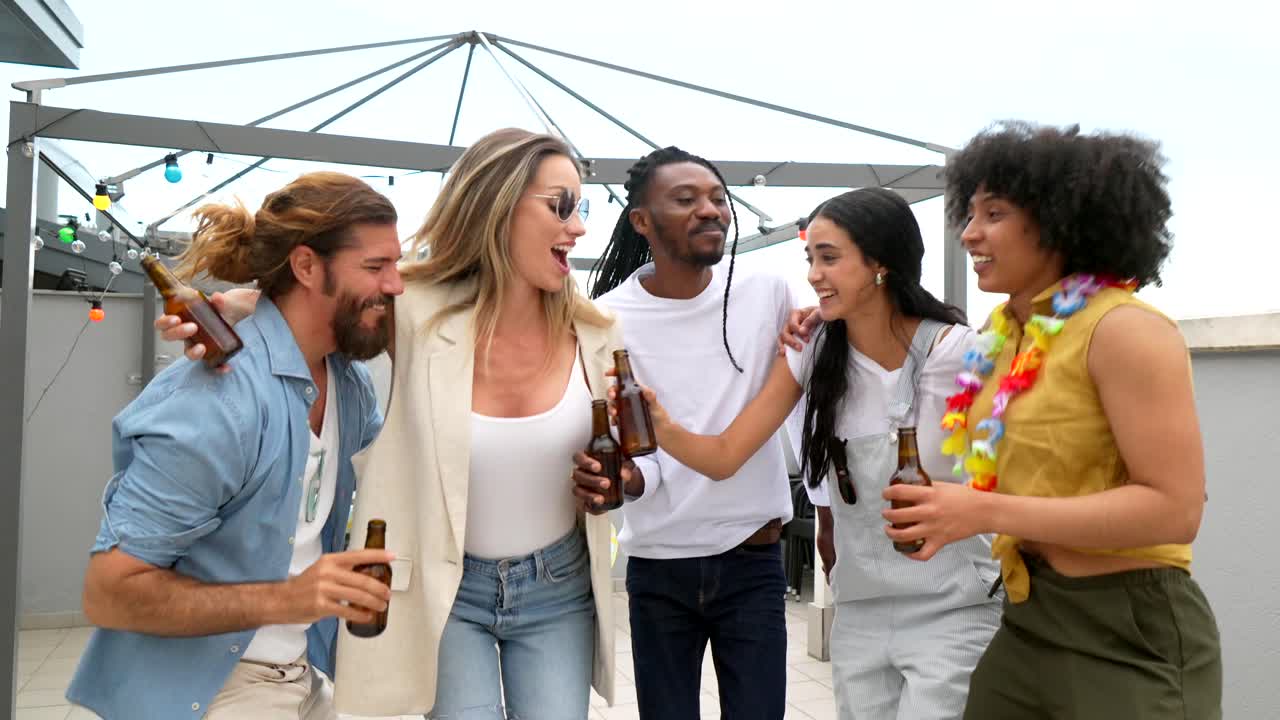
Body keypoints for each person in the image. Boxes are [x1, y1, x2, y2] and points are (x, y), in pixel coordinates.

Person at [164, 129, 621, 718]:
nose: (578, 227)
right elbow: (317, 309)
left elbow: (623, 460)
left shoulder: (597, 333)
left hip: (559, 588)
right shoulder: (413, 307)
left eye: (581, 208)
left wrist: (616, 482)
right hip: (444, 588)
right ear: (498, 204)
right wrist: (223, 313)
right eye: (561, 205)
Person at [879, 122, 1222, 718]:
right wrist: (817, 322)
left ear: (1061, 220)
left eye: (995, 214)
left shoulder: (1125, 330)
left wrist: (982, 511)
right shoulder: (998, 336)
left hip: (1128, 629)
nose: (969, 233)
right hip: (1027, 617)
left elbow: (1176, 511)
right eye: (970, 213)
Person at [633, 187, 1003, 719]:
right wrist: (660, 426)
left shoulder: (963, 355)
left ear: (880, 263)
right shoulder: (812, 352)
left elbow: (1017, 479)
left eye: (829, 258)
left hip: (956, 611)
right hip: (861, 616)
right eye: (810, 259)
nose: (812, 275)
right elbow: (725, 455)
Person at [66, 172, 404, 720]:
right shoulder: (216, 402)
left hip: (303, 669)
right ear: (306, 266)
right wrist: (289, 599)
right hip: (212, 686)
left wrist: (256, 305)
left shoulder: (349, 384)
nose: (397, 285)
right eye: (375, 267)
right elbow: (109, 593)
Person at [573, 146, 796, 719]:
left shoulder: (768, 295)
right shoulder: (609, 319)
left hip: (753, 558)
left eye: (718, 198)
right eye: (686, 199)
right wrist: (627, 478)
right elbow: (637, 454)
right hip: (659, 566)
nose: (710, 209)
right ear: (641, 221)